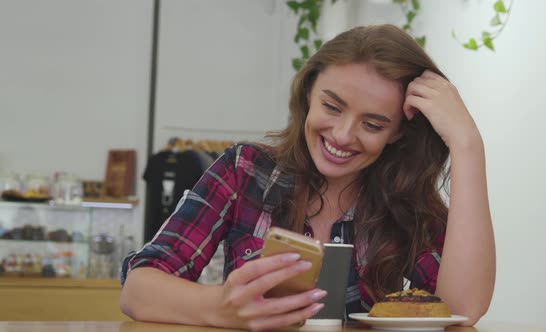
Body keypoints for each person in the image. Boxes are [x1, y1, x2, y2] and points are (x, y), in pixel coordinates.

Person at [119, 24, 495, 330]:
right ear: (308, 93)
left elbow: (462, 309)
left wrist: (467, 145)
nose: (343, 136)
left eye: (373, 124)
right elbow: (137, 290)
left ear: (397, 132)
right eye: (332, 106)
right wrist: (221, 307)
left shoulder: (404, 199)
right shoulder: (244, 169)